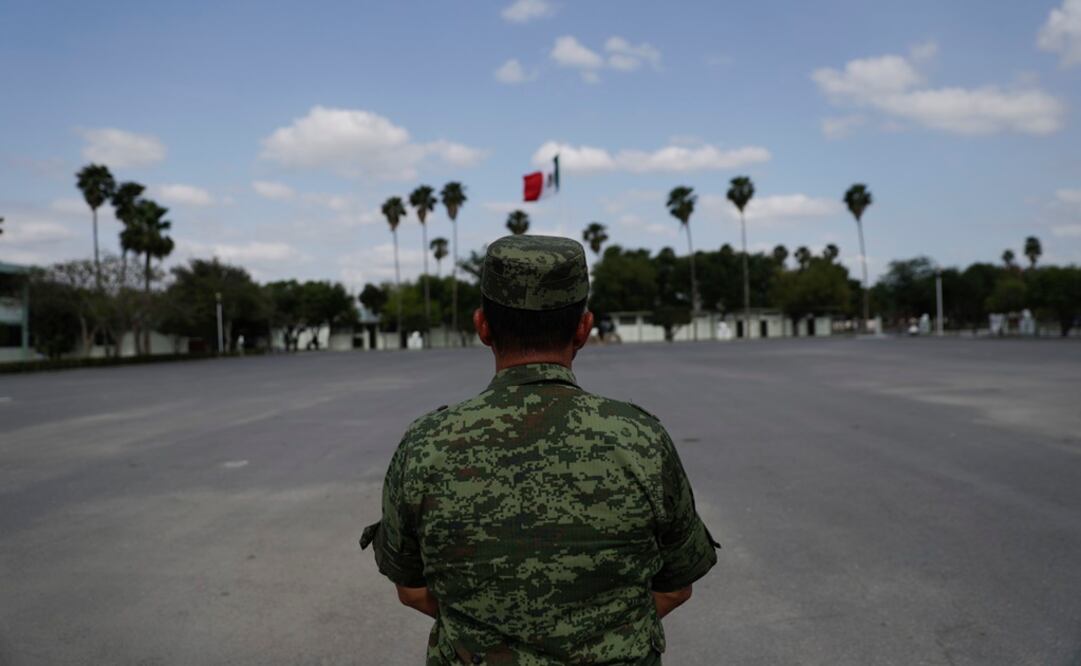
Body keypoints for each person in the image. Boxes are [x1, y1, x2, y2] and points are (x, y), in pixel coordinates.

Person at [361, 235, 718, 665]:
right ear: (584, 329)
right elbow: (677, 584)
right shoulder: (639, 439)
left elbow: (412, 589)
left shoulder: (427, 444)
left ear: (483, 326)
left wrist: (498, 637)